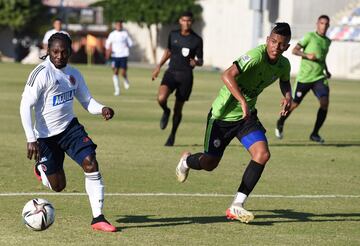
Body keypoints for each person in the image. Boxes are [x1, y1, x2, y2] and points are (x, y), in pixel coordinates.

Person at [175, 23, 293, 223]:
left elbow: (283, 80)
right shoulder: (255, 56)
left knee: (262, 154)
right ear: (267, 40)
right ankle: (186, 161)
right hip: (222, 116)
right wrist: (242, 101)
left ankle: (237, 205)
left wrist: (287, 96)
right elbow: (227, 74)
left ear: (287, 47)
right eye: (273, 42)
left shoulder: (284, 65)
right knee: (210, 163)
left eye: (281, 45)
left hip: (246, 118)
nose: (276, 47)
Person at [20, 33, 116, 232]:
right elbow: (24, 106)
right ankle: (41, 169)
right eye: (55, 51)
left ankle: (98, 218)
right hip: (45, 137)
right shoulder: (41, 74)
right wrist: (31, 139)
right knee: (59, 186)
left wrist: (102, 109)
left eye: (64, 52)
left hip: (70, 129)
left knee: (91, 162)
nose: (59, 56)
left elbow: (87, 101)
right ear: (48, 51)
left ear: (70, 52)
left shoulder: (74, 74)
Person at [275, 15, 331, 143]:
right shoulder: (309, 37)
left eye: (326, 24)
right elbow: (294, 50)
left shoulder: (328, 41)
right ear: (317, 24)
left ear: (328, 26)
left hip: (319, 78)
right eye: (322, 23)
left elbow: (322, 58)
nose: (324, 26)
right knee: (294, 105)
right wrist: (306, 55)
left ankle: (315, 134)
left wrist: (326, 71)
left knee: (325, 103)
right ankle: (280, 122)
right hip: (305, 78)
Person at [151, 11, 203, 146]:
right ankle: (165, 111)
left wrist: (196, 63)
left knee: (178, 109)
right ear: (180, 21)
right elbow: (168, 51)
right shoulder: (173, 35)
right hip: (171, 73)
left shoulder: (197, 40)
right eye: (184, 20)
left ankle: (172, 135)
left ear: (192, 22)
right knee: (161, 98)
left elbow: (201, 60)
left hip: (186, 77)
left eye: (189, 21)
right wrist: (158, 66)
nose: (186, 23)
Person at [105, 20, 133, 96]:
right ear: (116, 26)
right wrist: (108, 52)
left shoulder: (125, 34)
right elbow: (107, 44)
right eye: (117, 25)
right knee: (115, 72)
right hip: (115, 56)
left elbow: (130, 43)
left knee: (123, 72)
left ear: (122, 25)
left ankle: (125, 79)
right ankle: (117, 90)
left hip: (123, 55)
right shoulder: (112, 34)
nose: (119, 26)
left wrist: (127, 46)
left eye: (120, 25)